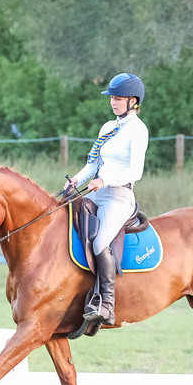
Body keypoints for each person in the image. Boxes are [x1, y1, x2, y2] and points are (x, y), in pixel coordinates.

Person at [63, 72, 149, 326]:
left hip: (119, 197)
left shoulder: (138, 130)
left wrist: (105, 180)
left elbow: (136, 171)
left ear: (133, 101)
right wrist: (76, 180)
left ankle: (106, 304)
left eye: (119, 98)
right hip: (96, 192)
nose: (113, 102)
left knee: (100, 242)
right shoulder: (108, 127)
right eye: (112, 97)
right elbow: (93, 164)